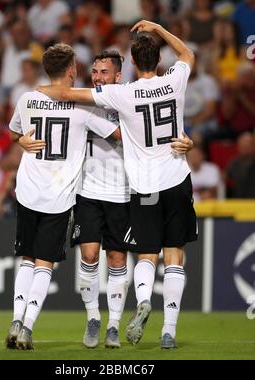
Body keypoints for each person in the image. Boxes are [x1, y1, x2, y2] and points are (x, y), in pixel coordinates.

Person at [38, 20, 198, 349]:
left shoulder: (120, 95)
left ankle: (122, 317)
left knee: (141, 256)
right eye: (93, 71)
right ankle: (163, 328)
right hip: (169, 180)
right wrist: (158, 27)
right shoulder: (174, 80)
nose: (97, 77)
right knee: (171, 256)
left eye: (103, 72)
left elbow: (65, 92)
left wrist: (34, 93)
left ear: (126, 68)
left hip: (136, 188)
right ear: (160, 60)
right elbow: (187, 52)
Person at [5, 43, 119, 350]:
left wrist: (22, 143)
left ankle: (16, 320)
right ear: (72, 70)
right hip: (58, 197)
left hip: (28, 191)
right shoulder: (84, 108)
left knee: (27, 260)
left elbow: (14, 133)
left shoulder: (28, 98)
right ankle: (27, 327)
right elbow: (119, 134)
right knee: (44, 264)